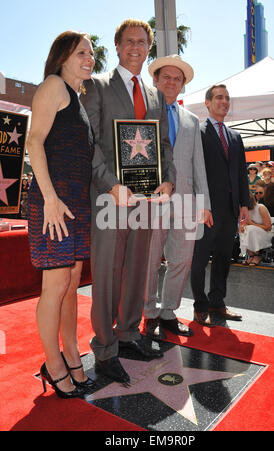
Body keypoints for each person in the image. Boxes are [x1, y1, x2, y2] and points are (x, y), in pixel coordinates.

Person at [81, 19, 176, 384]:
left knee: (138, 269)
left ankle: (128, 334)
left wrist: (167, 179)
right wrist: (110, 185)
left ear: (148, 48)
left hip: (146, 200)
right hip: (110, 200)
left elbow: (164, 145)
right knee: (106, 274)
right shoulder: (98, 87)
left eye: (142, 42)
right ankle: (104, 349)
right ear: (118, 47)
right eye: (129, 42)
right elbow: (88, 142)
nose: (136, 47)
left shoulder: (155, 95)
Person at [27, 31, 97, 398]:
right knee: (54, 287)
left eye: (91, 52)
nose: (90, 57)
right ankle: (52, 365)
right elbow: (33, 141)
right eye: (82, 52)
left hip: (75, 204)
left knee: (71, 285)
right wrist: (50, 200)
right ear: (63, 56)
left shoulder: (77, 97)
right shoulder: (53, 86)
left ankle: (71, 355)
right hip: (53, 203)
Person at [143, 55, 212, 338]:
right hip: (151, 199)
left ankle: (169, 311)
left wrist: (204, 204)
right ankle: (148, 312)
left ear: (182, 85)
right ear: (156, 80)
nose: (172, 82)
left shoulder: (192, 120)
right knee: (148, 260)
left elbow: (199, 165)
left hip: (186, 202)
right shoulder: (142, 113)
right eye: (166, 77)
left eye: (177, 78)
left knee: (182, 259)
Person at [190, 84, 250, 325]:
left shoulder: (235, 137)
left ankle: (217, 303)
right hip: (205, 209)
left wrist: (244, 203)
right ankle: (199, 304)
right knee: (200, 258)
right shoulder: (197, 132)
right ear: (207, 102)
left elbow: (240, 173)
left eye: (227, 98)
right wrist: (199, 204)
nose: (224, 101)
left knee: (224, 257)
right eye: (218, 97)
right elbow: (194, 171)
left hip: (230, 209)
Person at [239, 192, 274, 266]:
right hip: (253, 233)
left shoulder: (260, 207)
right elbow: (243, 223)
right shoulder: (244, 210)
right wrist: (243, 226)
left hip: (267, 234)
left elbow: (268, 227)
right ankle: (251, 255)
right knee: (244, 229)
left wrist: (252, 224)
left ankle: (257, 255)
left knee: (251, 229)